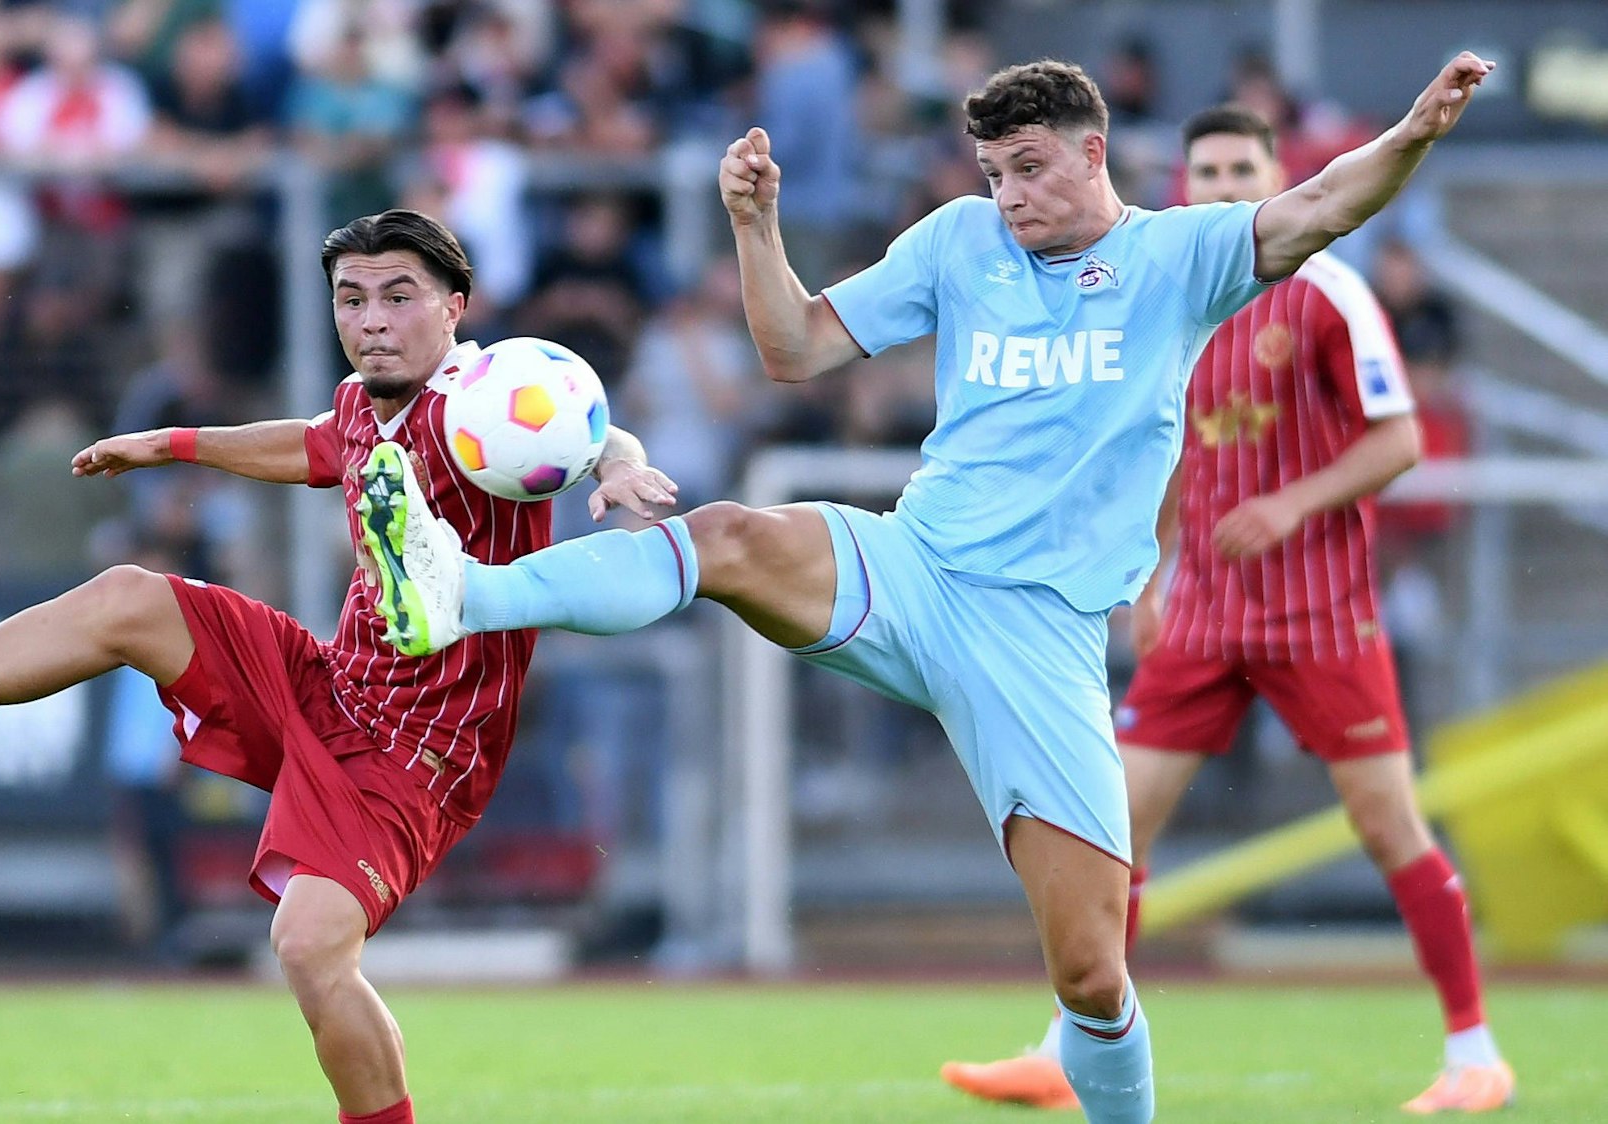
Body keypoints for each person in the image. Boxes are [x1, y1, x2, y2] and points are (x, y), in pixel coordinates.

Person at [359, 55, 1495, 1124]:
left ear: (1095, 153)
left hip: (1039, 636)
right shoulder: (958, 242)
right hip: (912, 565)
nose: (1008, 195)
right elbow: (794, 347)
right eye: (994, 173)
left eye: (1031, 168)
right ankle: (465, 592)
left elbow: (1322, 205)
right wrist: (756, 224)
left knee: (1092, 972)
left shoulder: (1176, 257)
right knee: (732, 534)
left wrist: (1415, 131)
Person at [0, 209, 678, 1124]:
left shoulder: (485, 401)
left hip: (422, 750)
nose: (373, 320)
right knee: (128, 598)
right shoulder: (362, 404)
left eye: (399, 296)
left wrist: (614, 471)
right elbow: (313, 444)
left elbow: (586, 428)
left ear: (454, 305)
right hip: (332, 685)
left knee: (310, 949)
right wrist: (172, 445)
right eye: (351, 300)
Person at [939, 104, 1513, 1116]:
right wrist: (1151, 576)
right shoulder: (1166, 294)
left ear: (1272, 173)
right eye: (1204, 169)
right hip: (1203, 613)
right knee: (1110, 827)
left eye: (1240, 166)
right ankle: (1061, 1051)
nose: (1220, 184)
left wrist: (1289, 502)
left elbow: (1400, 442)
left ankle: (1474, 1049)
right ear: (1183, 183)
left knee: (1387, 824)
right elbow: (1153, 451)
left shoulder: (1330, 288)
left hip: (1318, 614)